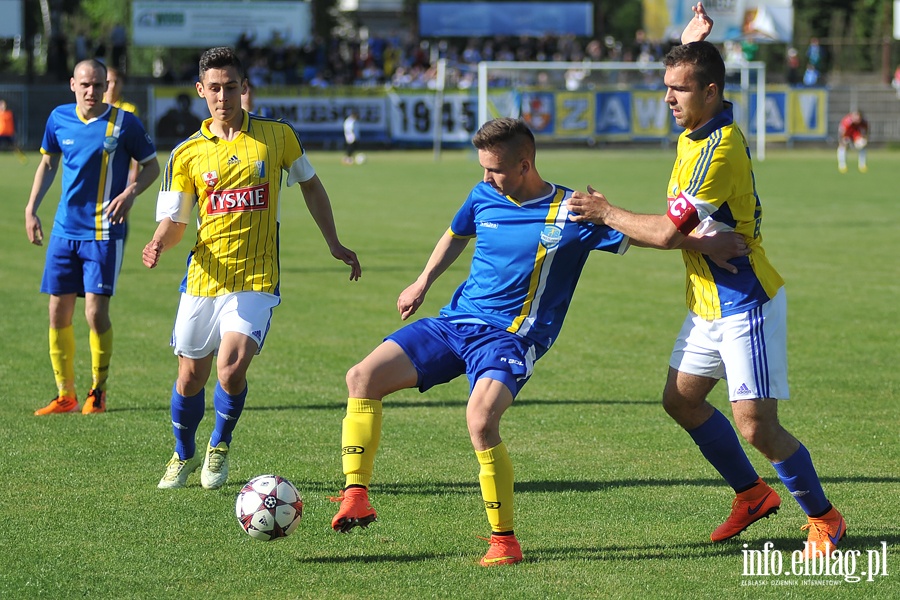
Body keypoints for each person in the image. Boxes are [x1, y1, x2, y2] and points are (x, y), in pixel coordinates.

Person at [329, 117, 746, 567]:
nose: (486, 178)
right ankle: (356, 496)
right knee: (362, 376)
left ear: (525, 164)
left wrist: (708, 245)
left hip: (511, 337)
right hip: (456, 323)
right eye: (483, 168)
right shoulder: (483, 194)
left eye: (495, 169)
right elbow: (456, 234)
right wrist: (422, 282)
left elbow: (647, 238)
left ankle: (504, 541)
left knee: (481, 418)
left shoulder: (573, 210)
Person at [568, 3, 846, 559]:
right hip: (706, 300)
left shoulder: (719, 147)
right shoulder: (695, 128)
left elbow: (667, 233)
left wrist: (603, 211)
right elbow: (686, 233)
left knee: (757, 426)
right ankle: (752, 495)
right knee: (682, 399)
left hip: (745, 301)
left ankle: (825, 518)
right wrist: (683, 39)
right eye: (666, 86)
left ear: (712, 92)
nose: (669, 98)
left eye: (680, 89)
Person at [142, 47, 361, 491]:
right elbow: (177, 221)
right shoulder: (184, 154)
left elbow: (312, 187)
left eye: (231, 87)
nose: (223, 96)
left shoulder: (277, 136)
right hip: (204, 278)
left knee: (232, 364)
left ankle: (219, 446)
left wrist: (334, 243)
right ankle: (183, 454)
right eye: (214, 88)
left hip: (257, 275)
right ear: (201, 91)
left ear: (245, 88)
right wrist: (157, 242)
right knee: (190, 377)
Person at [24, 59, 160, 415]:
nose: (92, 91)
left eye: (98, 85)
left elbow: (152, 166)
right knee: (57, 312)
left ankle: (97, 392)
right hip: (63, 231)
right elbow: (48, 163)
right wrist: (31, 207)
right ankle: (65, 394)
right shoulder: (58, 119)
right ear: (72, 84)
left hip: (103, 233)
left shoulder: (123, 123)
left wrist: (131, 193)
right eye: (85, 85)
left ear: (106, 86)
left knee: (95, 314)